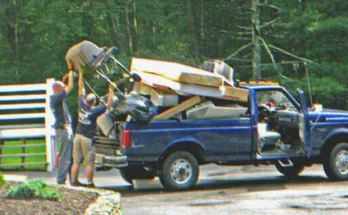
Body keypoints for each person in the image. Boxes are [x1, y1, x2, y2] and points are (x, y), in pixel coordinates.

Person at [70, 69, 114, 187]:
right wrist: (111, 89)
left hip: (77, 136)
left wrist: (81, 75)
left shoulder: (81, 105)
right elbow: (109, 104)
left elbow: (80, 89)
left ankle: (73, 181)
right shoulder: (94, 111)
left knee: (76, 161)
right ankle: (90, 183)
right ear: (93, 102)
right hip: (87, 139)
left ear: (86, 100)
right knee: (89, 162)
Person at [50, 62, 74, 185]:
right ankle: (61, 180)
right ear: (57, 90)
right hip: (64, 129)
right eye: (62, 87)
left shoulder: (55, 99)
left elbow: (66, 87)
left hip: (63, 129)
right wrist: (71, 73)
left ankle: (66, 178)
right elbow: (69, 88)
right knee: (65, 156)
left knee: (67, 155)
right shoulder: (56, 98)